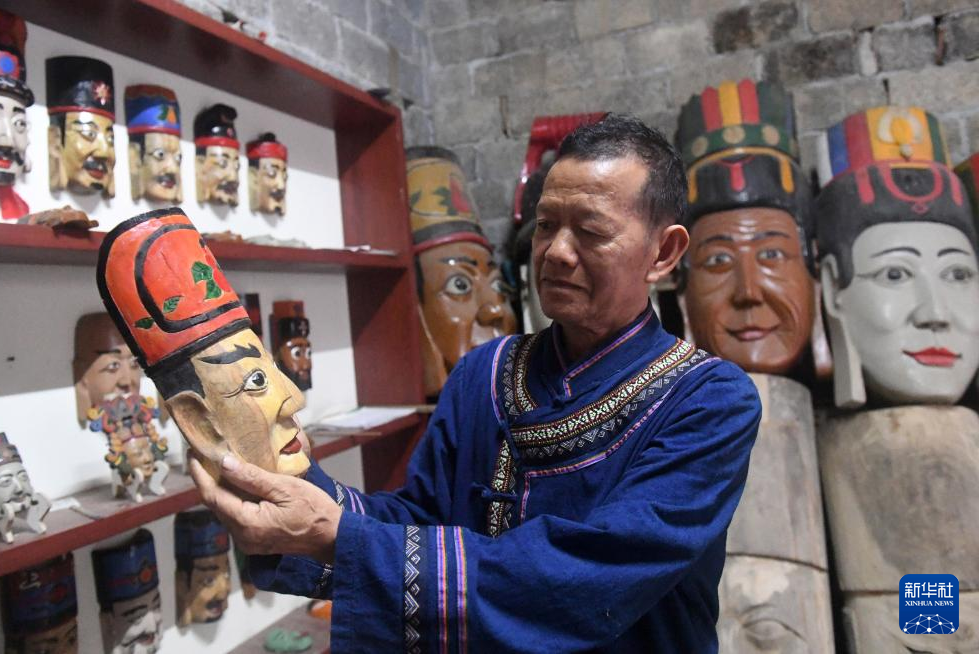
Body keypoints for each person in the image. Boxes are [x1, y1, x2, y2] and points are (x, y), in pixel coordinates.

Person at [191, 113, 761, 652]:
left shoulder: (709, 400)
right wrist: (290, 481)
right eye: (546, 226)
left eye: (590, 231)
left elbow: (589, 577)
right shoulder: (485, 373)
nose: (557, 253)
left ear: (664, 252)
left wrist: (339, 536)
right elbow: (419, 520)